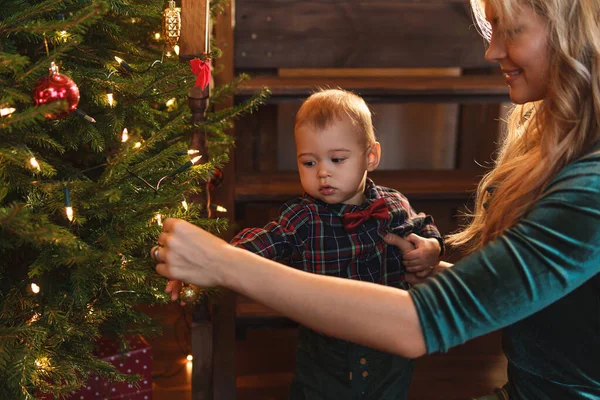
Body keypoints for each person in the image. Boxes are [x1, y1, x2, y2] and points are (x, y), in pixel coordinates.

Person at [152, 0, 600, 398]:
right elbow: (525, 288)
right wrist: (434, 272)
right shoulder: (566, 151)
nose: (491, 50)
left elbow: (417, 325)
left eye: (510, 28)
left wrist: (221, 263)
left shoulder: (591, 189)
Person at [231, 88, 443, 399]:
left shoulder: (393, 203)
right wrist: (217, 258)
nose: (323, 172)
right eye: (309, 163)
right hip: (328, 347)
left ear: (370, 156)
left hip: (390, 338)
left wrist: (433, 248)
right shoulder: (303, 216)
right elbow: (266, 242)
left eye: (337, 159)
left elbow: (424, 227)